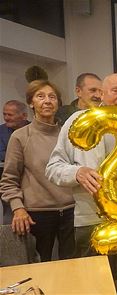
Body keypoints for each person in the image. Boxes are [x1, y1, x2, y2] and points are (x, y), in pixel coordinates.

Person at [46, 73, 117, 295]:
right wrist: (76, 172)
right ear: (102, 94)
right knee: (96, 287)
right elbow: (53, 167)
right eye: (115, 91)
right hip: (93, 221)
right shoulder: (79, 121)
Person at [0, 80, 74, 262]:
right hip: (38, 215)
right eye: (40, 96)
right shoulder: (20, 136)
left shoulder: (69, 134)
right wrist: (18, 209)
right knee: (42, 269)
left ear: (58, 103)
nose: (47, 101)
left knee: (72, 267)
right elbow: (9, 179)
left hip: (71, 212)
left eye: (52, 97)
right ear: (31, 103)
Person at [0, 100, 29, 224]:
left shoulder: (33, 130)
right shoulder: (0, 131)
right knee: (9, 218)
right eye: (4, 114)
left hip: (30, 184)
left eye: (10, 115)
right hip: (7, 183)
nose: (6, 118)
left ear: (23, 116)